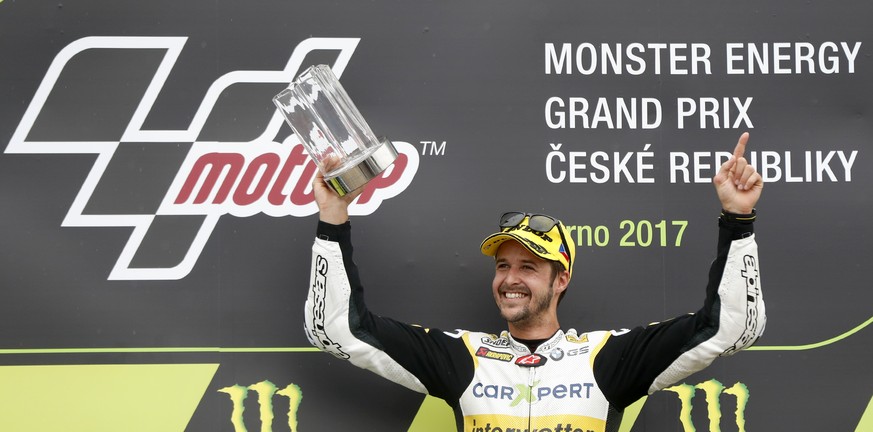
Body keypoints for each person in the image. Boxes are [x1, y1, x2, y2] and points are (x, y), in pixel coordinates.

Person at [303, 133, 765, 432]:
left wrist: (738, 219)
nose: (510, 279)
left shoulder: (607, 359)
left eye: (528, 266)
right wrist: (333, 215)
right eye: (503, 266)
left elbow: (731, 328)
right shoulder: (462, 357)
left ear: (561, 278)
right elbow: (338, 329)